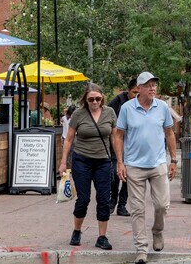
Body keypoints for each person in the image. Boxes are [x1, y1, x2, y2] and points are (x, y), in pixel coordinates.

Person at [115, 72, 177, 264]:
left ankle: (157, 231)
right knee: (137, 209)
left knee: (161, 205)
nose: (152, 88)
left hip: (158, 164)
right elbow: (118, 136)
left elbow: (169, 133)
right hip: (134, 166)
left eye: (154, 85)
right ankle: (141, 249)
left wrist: (173, 160)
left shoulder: (163, 107)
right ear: (138, 89)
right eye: (148, 85)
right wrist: (120, 162)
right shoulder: (126, 108)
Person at [59, 83, 116, 250]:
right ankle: (77, 230)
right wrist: (63, 162)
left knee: (104, 199)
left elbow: (115, 139)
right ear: (85, 99)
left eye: (98, 98)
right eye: (91, 99)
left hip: (103, 161)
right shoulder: (78, 114)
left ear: (102, 98)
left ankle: (102, 236)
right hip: (82, 160)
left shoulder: (110, 113)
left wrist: (120, 160)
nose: (95, 102)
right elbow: (68, 139)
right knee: (83, 198)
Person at [107, 78, 139, 217]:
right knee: (115, 174)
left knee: (129, 175)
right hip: (118, 143)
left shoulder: (141, 103)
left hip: (133, 145)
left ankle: (122, 205)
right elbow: (108, 116)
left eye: (139, 93)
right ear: (128, 90)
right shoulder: (118, 101)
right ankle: (112, 200)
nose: (136, 96)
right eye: (134, 92)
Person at [61, 105, 76, 169]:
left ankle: (67, 168)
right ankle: (72, 168)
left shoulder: (64, 118)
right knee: (72, 153)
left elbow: (61, 122)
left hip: (64, 137)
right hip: (72, 137)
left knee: (66, 153)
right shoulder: (73, 118)